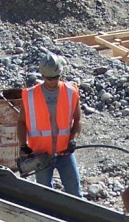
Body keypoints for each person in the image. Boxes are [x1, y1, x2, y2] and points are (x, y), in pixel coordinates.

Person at [17, 52, 83, 197]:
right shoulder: (30, 95)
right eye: (49, 78)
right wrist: (23, 146)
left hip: (64, 152)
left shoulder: (71, 92)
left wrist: (73, 139)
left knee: (75, 193)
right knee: (44, 195)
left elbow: (78, 120)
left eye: (55, 78)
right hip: (41, 154)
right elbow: (21, 123)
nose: (52, 82)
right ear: (42, 75)